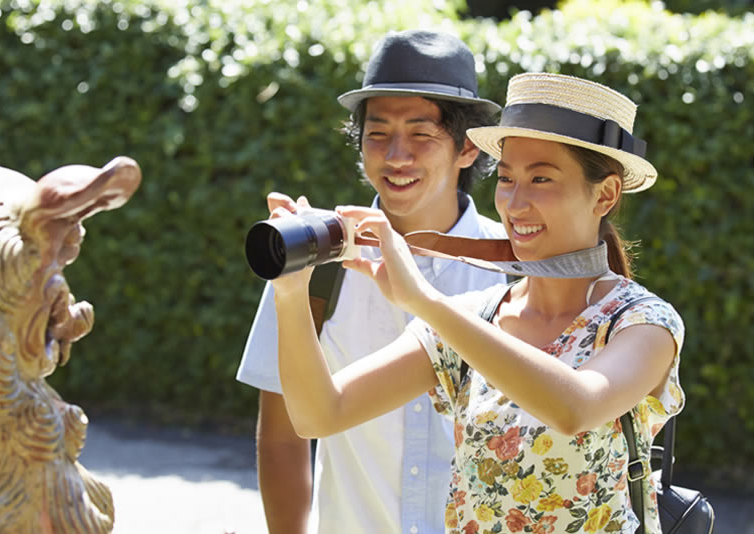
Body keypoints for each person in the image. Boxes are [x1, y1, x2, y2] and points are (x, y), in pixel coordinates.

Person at [270, 72, 686, 534]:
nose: (515, 202)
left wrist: (424, 301)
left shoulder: (643, 322)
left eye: (541, 178)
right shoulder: (476, 315)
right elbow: (319, 414)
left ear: (605, 194)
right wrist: (289, 289)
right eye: (506, 178)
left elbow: (576, 407)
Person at [237, 30, 507, 534]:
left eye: (421, 135)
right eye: (377, 133)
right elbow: (282, 435)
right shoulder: (309, 262)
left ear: (467, 148)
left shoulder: (514, 270)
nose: (395, 155)